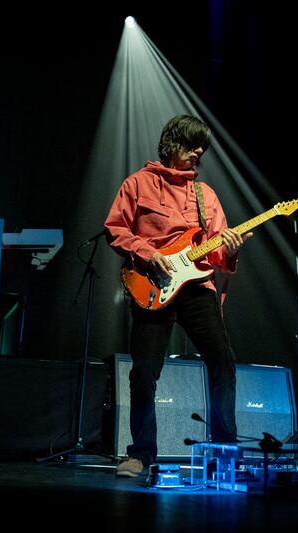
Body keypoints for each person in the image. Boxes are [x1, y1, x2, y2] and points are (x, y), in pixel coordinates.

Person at [104, 114, 252, 478]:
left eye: (202, 146)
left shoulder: (206, 196)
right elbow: (115, 229)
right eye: (191, 143)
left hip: (197, 289)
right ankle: (140, 454)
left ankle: (224, 454)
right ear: (172, 143)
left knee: (223, 362)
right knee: (143, 372)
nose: (198, 151)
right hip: (153, 284)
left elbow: (217, 254)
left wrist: (230, 249)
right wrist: (148, 252)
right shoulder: (138, 184)